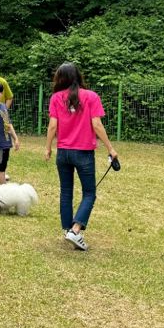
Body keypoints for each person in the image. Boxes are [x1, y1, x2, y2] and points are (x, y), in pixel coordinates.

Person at [44, 62, 118, 251]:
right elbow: (97, 125)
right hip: (83, 153)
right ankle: (75, 230)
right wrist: (110, 148)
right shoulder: (91, 96)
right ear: (78, 76)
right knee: (89, 193)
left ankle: (68, 229)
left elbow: (53, 126)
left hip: (63, 152)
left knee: (66, 192)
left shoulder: (56, 98)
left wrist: (48, 148)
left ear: (61, 78)